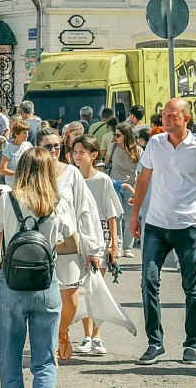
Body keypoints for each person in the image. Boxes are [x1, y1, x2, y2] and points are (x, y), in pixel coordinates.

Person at [131, 98, 196, 366]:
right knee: (148, 281)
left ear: (186, 118)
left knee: (191, 288)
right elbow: (143, 180)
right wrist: (135, 216)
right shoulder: (155, 144)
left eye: (172, 115)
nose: (166, 119)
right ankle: (154, 343)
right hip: (156, 226)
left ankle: (191, 344)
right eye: (164, 115)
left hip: (187, 227)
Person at [0, 147, 73, 388]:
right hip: (46, 283)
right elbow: (72, 243)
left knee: (9, 358)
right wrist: (50, 246)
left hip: (11, 282)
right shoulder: (57, 202)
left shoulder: (9, 200)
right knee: (45, 360)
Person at [36, 127, 104, 360]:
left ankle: (62, 331)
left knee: (71, 301)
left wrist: (94, 248)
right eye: (48, 146)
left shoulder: (71, 174)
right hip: (40, 247)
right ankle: (50, 341)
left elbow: (86, 210)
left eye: (57, 146)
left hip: (69, 245)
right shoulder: (32, 172)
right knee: (44, 301)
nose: (54, 150)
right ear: (39, 148)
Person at [71, 135, 122, 355]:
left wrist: (114, 245)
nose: (77, 155)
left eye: (82, 151)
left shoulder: (103, 181)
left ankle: (97, 336)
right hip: (78, 240)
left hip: (100, 240)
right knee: (82, 289)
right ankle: (86, 335)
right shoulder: (71, 179)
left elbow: (112, 214)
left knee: (96, 289)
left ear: (93, 155)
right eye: (74, 151)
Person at [106, 123, 141, 258]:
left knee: (129, 217)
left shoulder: (137, 150)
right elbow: (106, 163)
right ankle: (118, 245)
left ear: (126, 136)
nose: (115, 137)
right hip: (115, 184)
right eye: (115, 134)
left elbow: (141, 170)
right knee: (117, 216)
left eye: (118, 135)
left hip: (131, 186)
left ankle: (128, 247)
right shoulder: (113, 147)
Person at [0, 121, 32, 186]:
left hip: (27, 181)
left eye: (28, 133)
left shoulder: (28, 145)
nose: (27, 135)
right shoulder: (9, 149)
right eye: (24, 133)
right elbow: (2, 170)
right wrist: (17, 173)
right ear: (16, 134)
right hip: (13, 183)